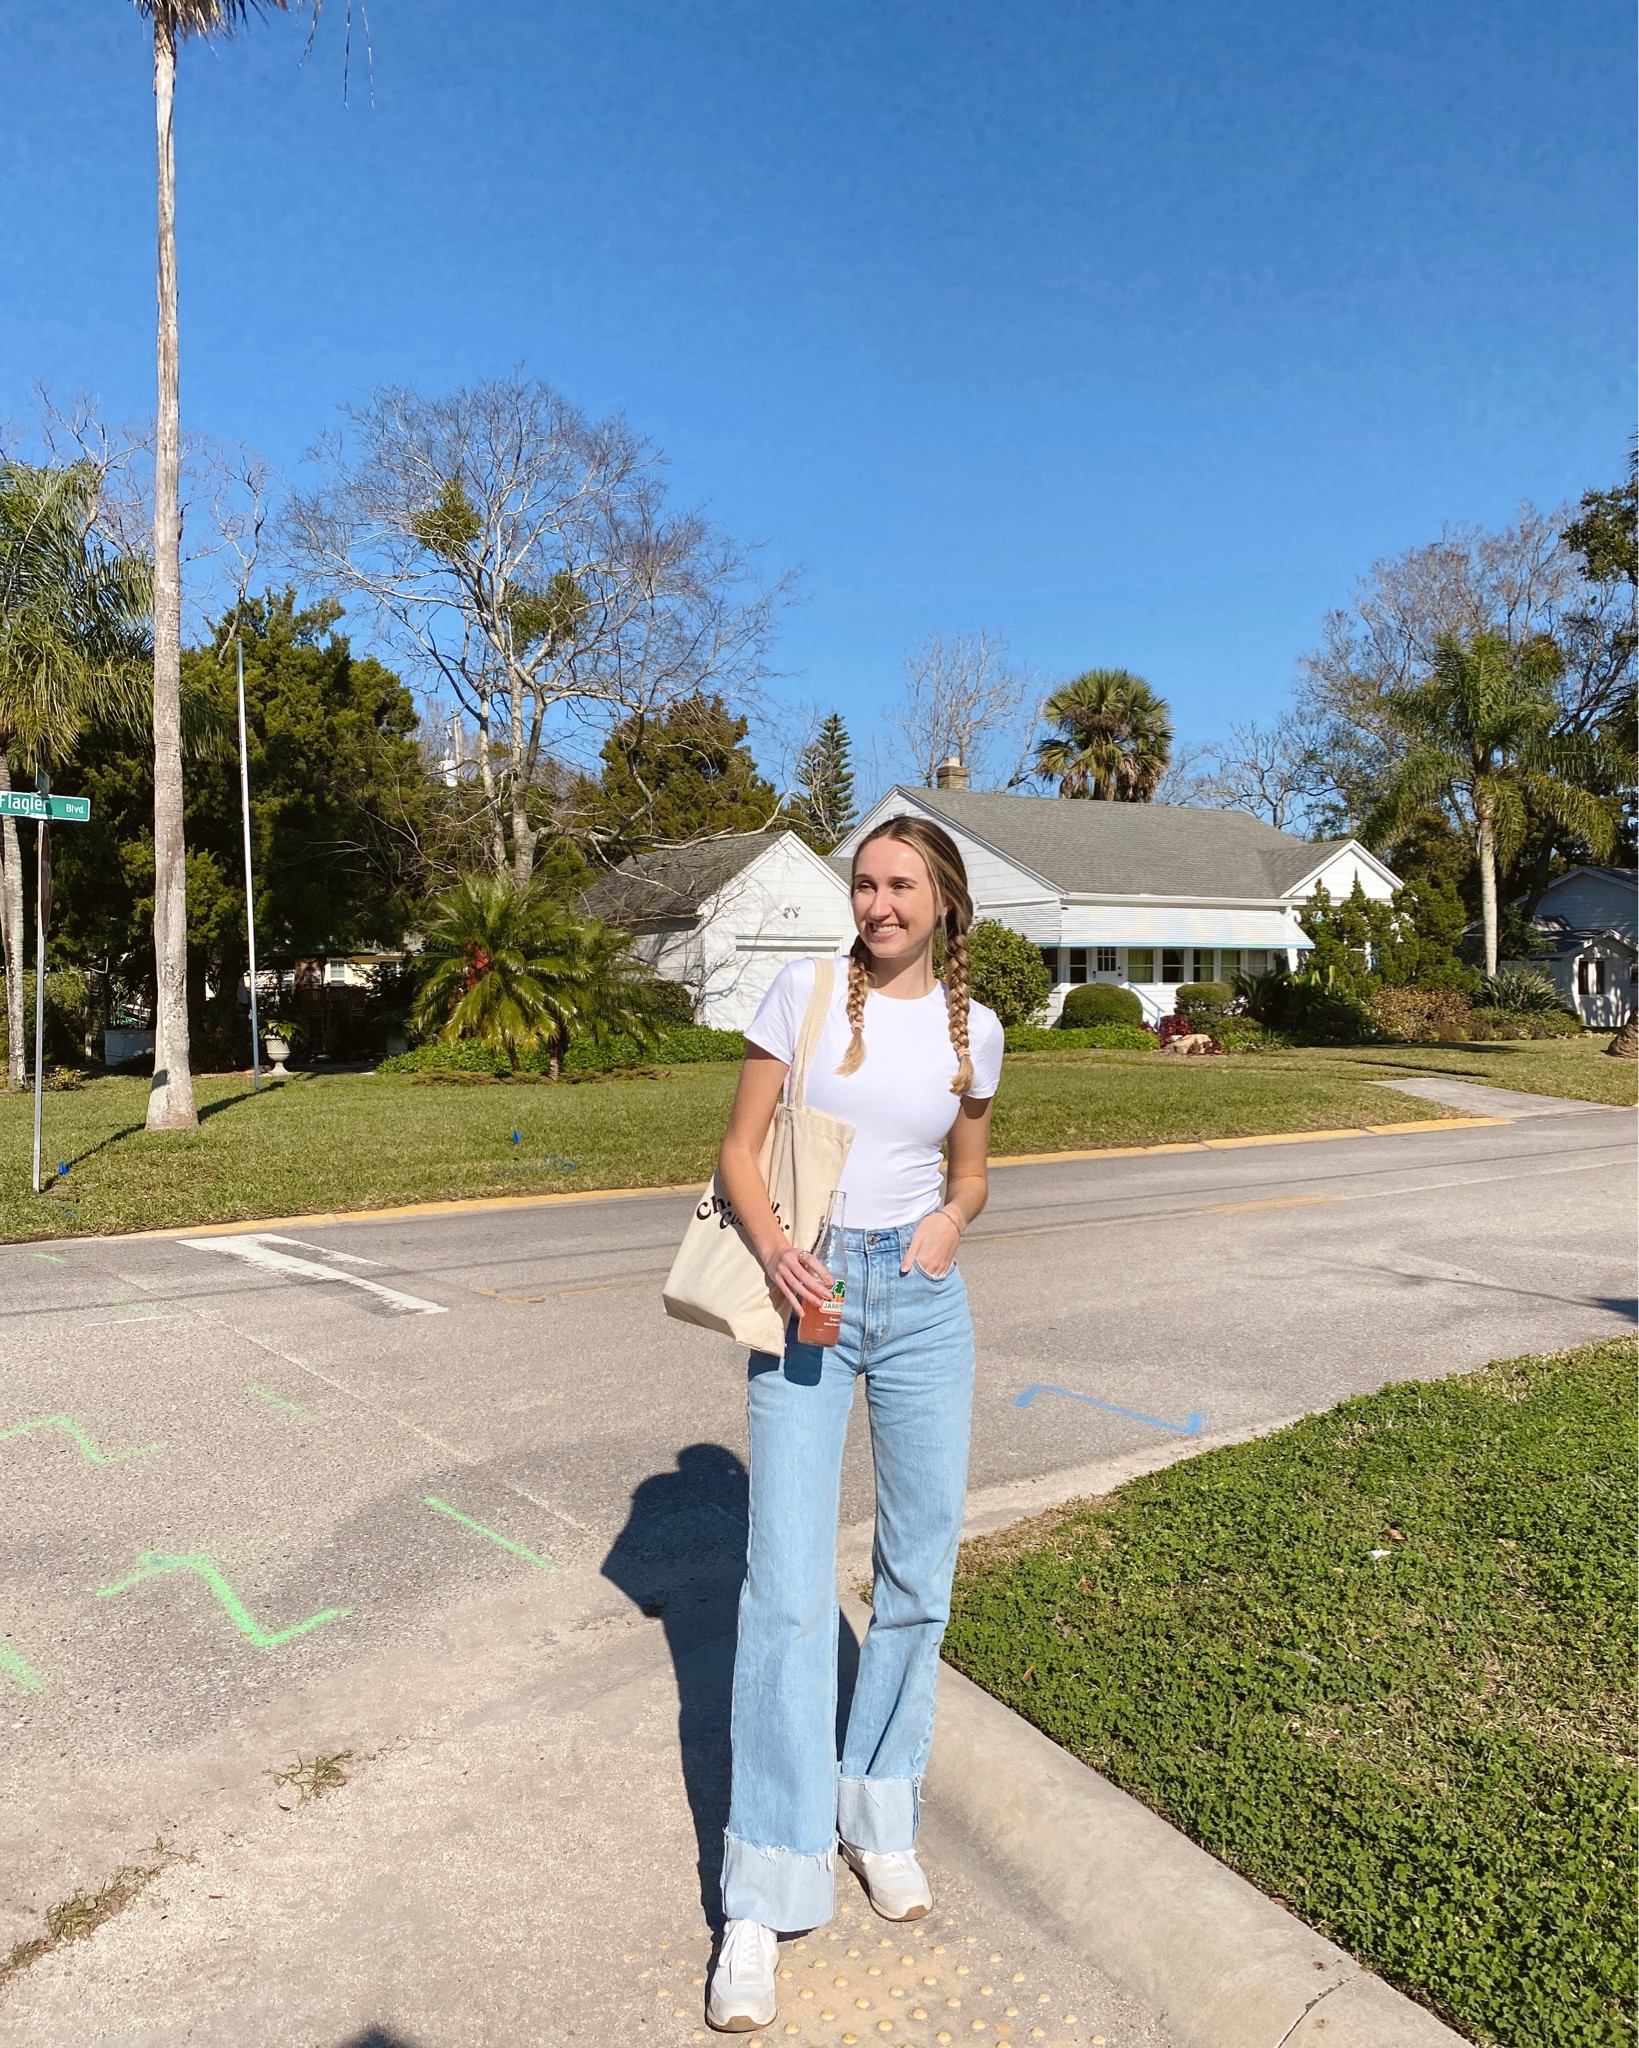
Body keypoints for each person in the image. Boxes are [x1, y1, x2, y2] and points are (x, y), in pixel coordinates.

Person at [705, 814, 1005, 2033]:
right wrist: (779, 1252)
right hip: (808, 1291)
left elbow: (971, 1169)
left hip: (924, 1303)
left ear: (944, 901)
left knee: (916, 1569)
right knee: (784, 1586)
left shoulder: (971, 1031)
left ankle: (878, 1806)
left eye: (900, 885)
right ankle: (764, 1890)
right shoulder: (804, 992)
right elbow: (736, 1148)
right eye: (865, 883)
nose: (878, 903)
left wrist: (946, 1227)